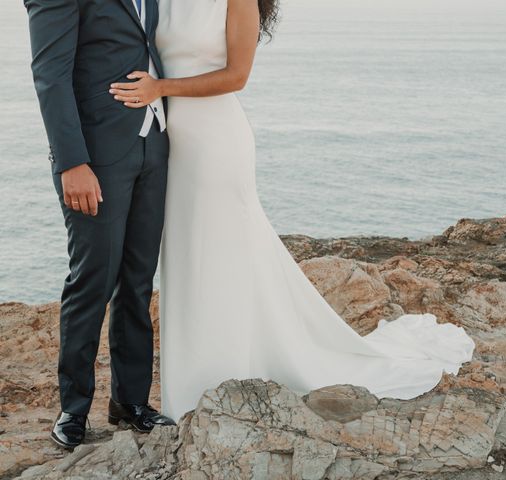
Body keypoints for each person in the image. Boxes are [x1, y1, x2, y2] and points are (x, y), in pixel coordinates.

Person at [107, 0, 476, 423]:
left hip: (216, 142)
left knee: (224, 252)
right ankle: (196, 373)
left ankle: (223, 373)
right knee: (189, 258)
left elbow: (236, 76)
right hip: (172, 143)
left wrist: (161, 89)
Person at [24, 0, 176, 450]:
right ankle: (74, 408)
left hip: (154, 146)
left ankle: (130, 403)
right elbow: (49, 75)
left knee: (137, 280)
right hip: (94, 156)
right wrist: (72, 163)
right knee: (92, 279)